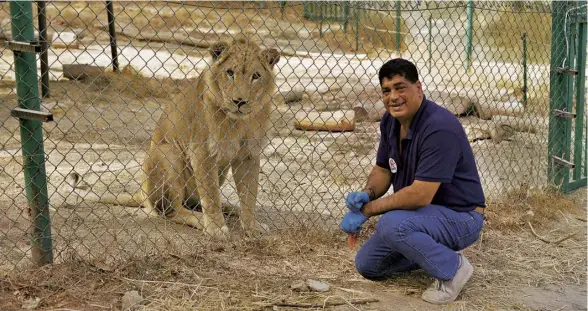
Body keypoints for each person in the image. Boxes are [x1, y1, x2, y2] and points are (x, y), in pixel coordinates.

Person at [340, 58, 486, 305]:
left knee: (391, 224)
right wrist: (368, 193)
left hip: (462, 216)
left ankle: (453, 269)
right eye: (386, 91)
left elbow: (420, 195)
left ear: (418, 88)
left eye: (400, 87)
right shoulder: (390, 121)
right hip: (422, 217)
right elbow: (383, 169)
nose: (393, 97)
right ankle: (437, 252)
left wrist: (368, 211)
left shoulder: (439, 126)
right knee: (368, 265)